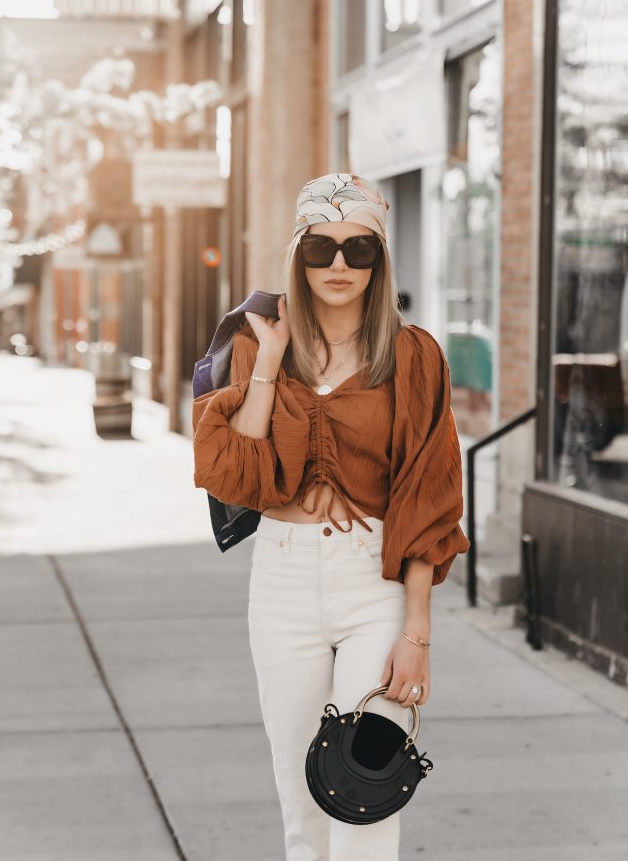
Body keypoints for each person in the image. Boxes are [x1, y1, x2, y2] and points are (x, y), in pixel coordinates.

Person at [192, 172, 470, 861]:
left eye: (358, 249)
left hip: (372, 579)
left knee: (366, 797)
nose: (339, 265)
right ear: (298, 253)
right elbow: (242, 475)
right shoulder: (262, 345)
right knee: (301, 804)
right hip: (282, 580)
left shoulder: (412, 356)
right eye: (321, 248)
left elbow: (426, 497)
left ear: (380, 261)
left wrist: (417, 631)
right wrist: (269, 366)